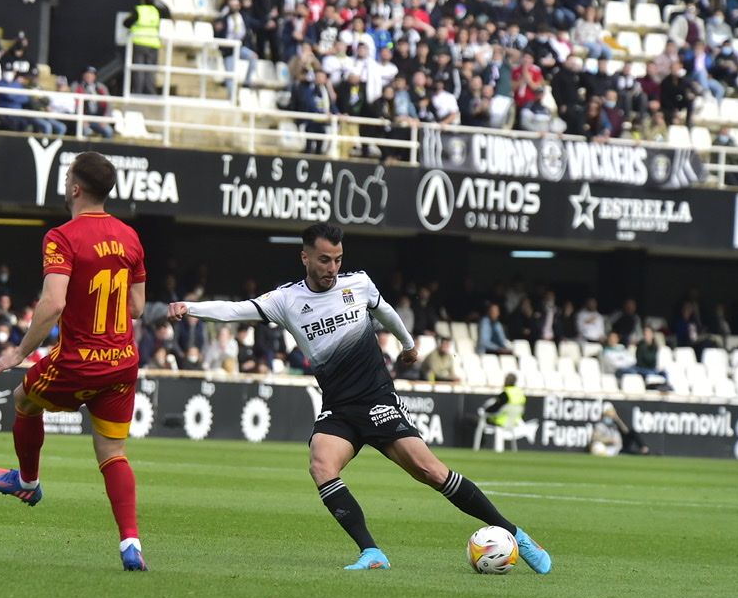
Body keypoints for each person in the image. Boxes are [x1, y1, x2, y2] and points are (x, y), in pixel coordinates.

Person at [169, 224, 552, 573]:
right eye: (323, 259)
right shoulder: (286, 300)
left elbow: (385, 312)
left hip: (377, 400)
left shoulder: (359, 284)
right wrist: (191, 308)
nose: (332, 267)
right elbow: (236, 311)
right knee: (321, 465)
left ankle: (516, 534)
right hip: (338, 406)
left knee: (432, 473)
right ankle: (371, 552)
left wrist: (408, 345)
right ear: (305, 257)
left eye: (337, 259)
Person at [0, 152, 149, 571]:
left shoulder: (63, 236)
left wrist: (20, 352)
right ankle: (131, 544)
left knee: (23, 398)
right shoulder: (130, 237)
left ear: (75, 187)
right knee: (112, 451)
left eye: (67, 177)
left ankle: (28, 481)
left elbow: (53, 303)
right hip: (122, 362)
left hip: (79, 361)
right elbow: (137, 308)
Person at [124, 0, 166, 95]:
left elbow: (126, 23)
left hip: (139, 43)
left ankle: (138, 92)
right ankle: (150, 92)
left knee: (138, 70)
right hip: (153, 44)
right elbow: (168, 12)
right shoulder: (157, 11)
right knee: (150, 70)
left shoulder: (139, 10)